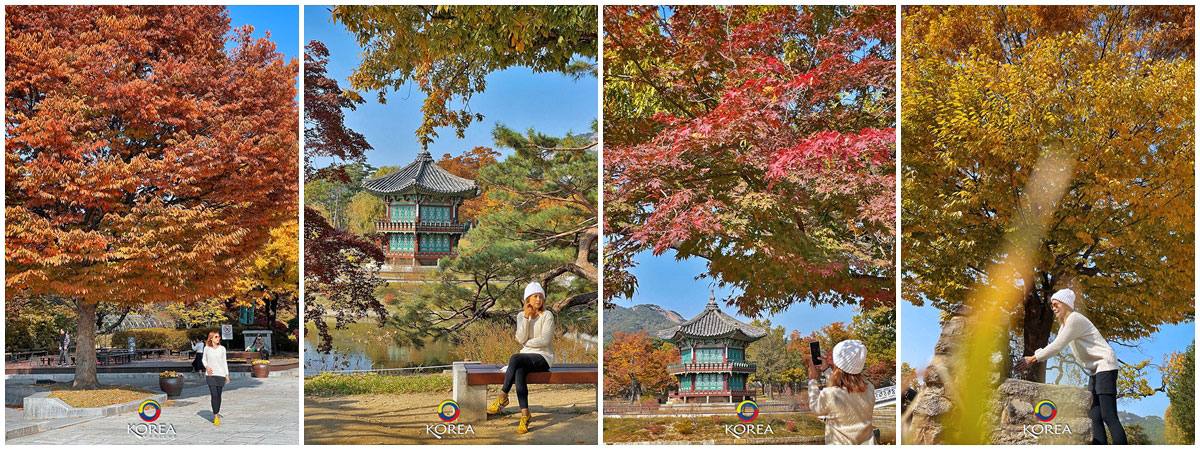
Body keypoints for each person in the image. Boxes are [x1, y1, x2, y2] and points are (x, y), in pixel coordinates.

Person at [1015, 289, 1125, 444]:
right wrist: (1035, 356)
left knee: (1108, 415)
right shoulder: (1065, 326)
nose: (1053, 308)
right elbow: (1054, 345)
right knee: (1094, 416)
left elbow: (1058, 346)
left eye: (1056, 304)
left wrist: (1033, 359)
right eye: (1052, 305)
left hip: (1106, 365)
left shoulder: (1075, 319)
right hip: (1095, 370)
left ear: (1066, 304)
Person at [487, 282, 555, 434]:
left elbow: (545, 340)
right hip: (526, 356)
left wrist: (525, 342)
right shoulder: (521, 316)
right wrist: (526, 317)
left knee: (515, 358)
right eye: (535, 296)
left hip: (543, 357)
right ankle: (525, 415)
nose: (538, 300)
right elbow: (520, 335)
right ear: (528, 299)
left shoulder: (547, 315)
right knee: (519, 373)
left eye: (540, 296)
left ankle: (502, 396)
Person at [807, 339, 876, 445]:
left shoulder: (830, 394)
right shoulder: (870, 388)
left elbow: (815, 407)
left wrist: (812, 380)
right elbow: (846, 387)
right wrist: (826, 370)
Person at [202, 331, 230, 426]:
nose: (218, 339)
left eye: (219, 337)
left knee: (218, 395)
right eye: (216, 337)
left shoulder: (222, 349)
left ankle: (217, 411)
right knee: (214, 395)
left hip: (221, 374)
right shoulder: (207, 349)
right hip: (210, 375)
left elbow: (224, 362)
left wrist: (227, 374)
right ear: (211, 338)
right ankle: (215, 415)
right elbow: (203, 359)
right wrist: (207, 366)